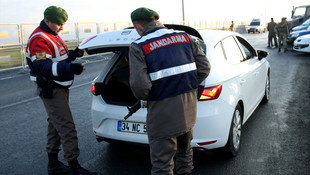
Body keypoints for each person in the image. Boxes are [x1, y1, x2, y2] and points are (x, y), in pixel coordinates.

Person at [129, 7, 211, 175]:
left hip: (162, 115)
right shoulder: (185, 37)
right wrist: (186, 86)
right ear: (156, 21)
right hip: (188, 110)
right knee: (185, 153)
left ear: (138, 27)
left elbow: (141, 88)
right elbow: (204, 68)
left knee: (162, 164)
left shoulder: (139, 46)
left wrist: (148, 96)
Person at [26, 6, 97, 175]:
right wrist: (71, 68)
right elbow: (43, 66)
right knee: (66, 127)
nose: (62, 28)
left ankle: (53, 165)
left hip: (59, 87)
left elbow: (59, 58)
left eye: (63, 24)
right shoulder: (39, 39)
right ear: (47, 20)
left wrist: (75, 54)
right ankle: (74, 167)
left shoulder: (52, 35)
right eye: (59, 24)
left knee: (55, 125)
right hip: (52, 88)